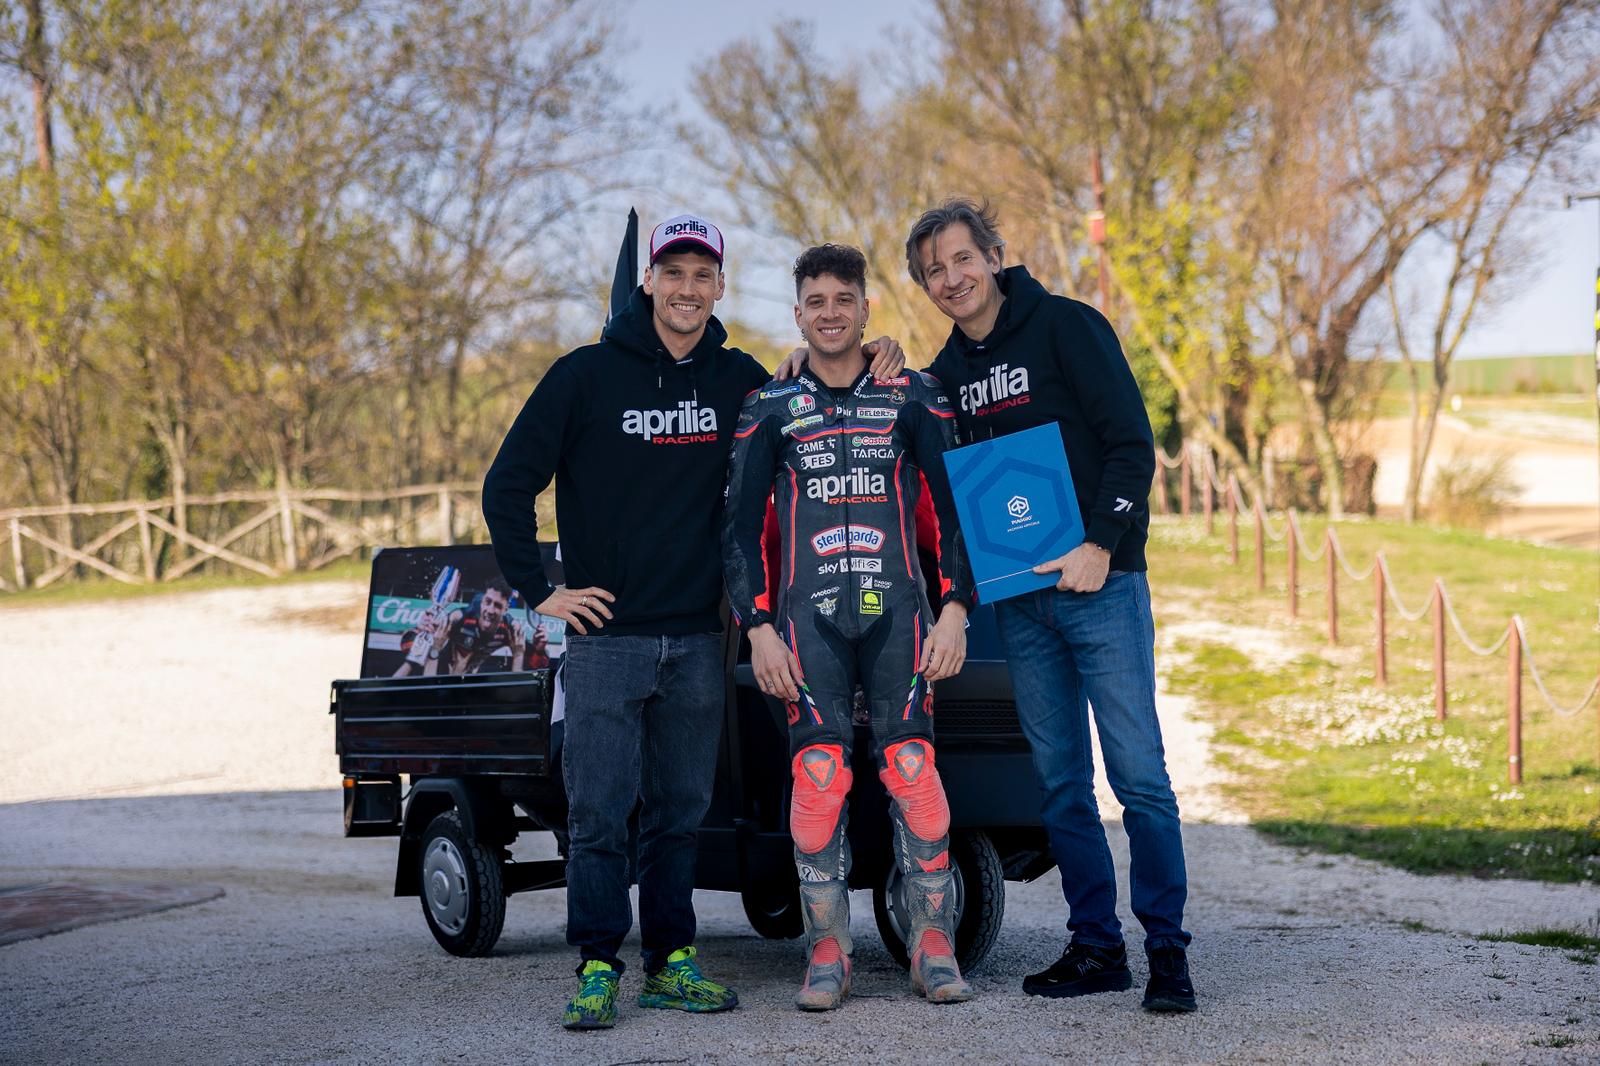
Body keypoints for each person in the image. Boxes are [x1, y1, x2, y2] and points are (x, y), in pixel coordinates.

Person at [482, 214, 904, 1030]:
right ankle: (599, 963)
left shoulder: (739, 379)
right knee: (602, 812)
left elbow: (810, 396)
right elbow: (509, 486)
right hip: (609, 639)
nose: (686, 289)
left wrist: (876, 354)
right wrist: (543, 591)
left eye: (701, 275)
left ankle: (672, 960)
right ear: (649, 282)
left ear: (719, 286)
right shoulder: (585, 377)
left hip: (700, 638)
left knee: (679, 812)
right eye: (671, 273)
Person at [904, 199, 1197, 1013]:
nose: (952, 278)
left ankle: (1167, 952)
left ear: (995, 256)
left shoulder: (1068, 326)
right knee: (1061, 783)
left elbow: (1132, 445)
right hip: (1021, 604)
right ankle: (1097, 947)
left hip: (1103, 588)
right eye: (934, 271)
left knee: (1140, 778)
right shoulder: (947, 377)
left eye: (963, 259)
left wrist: (1102, 545)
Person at [722, 243, 976, 1011]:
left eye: (844, 299)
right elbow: (735, 531)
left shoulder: (914, 394)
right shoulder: (770, 405)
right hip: (807, 623)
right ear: (798, 316)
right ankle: (827, 953)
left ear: (867, 309)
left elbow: (957, 504)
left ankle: (933, 947)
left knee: (914, 777)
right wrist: (758, 627)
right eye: (816, 302)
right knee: (818, 784)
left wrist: (958, 608)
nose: (831, 313)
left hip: (900, 615)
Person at [392, 577, 525, 676]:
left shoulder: (511, 630)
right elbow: (406, 645)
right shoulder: (459, 618)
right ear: (482, 602)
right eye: (487, 602)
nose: (490, 610)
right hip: (444, 668)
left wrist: (520, 655)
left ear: (505, 609)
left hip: (467, 673)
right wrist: (422, 631)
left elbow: (525, 669)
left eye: (497, 606)